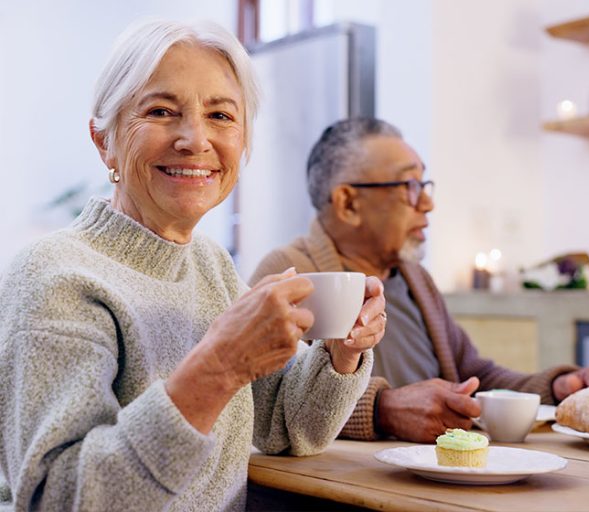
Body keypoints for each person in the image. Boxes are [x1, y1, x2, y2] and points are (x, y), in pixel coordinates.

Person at [0, 20, 387, 511]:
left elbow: (284, 428)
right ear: (105, 140)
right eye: (161, 111)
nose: (195, 140)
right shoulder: (54, 276)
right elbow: (57, 498)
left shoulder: (210, 263)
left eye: (221, 115)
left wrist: (340, 354)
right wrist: (218, 368)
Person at [249, 118, 589, 443]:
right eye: (409, 185)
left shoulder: (414, 278)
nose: (427, 203)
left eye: (424, 184)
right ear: (348, 203)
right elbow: (268, 403)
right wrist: (383, 408)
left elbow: (474, 375)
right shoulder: (290, 271)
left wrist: (553, 388)